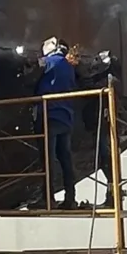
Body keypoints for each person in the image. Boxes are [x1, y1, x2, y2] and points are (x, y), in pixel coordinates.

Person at [36, 36, 79, 210]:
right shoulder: (69, 67)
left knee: (47, 159)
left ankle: (48, 198)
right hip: (66, 117)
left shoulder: (47, 62)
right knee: (65, 159)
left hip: (49, 114)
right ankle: (70, 198)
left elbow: (30, 76)